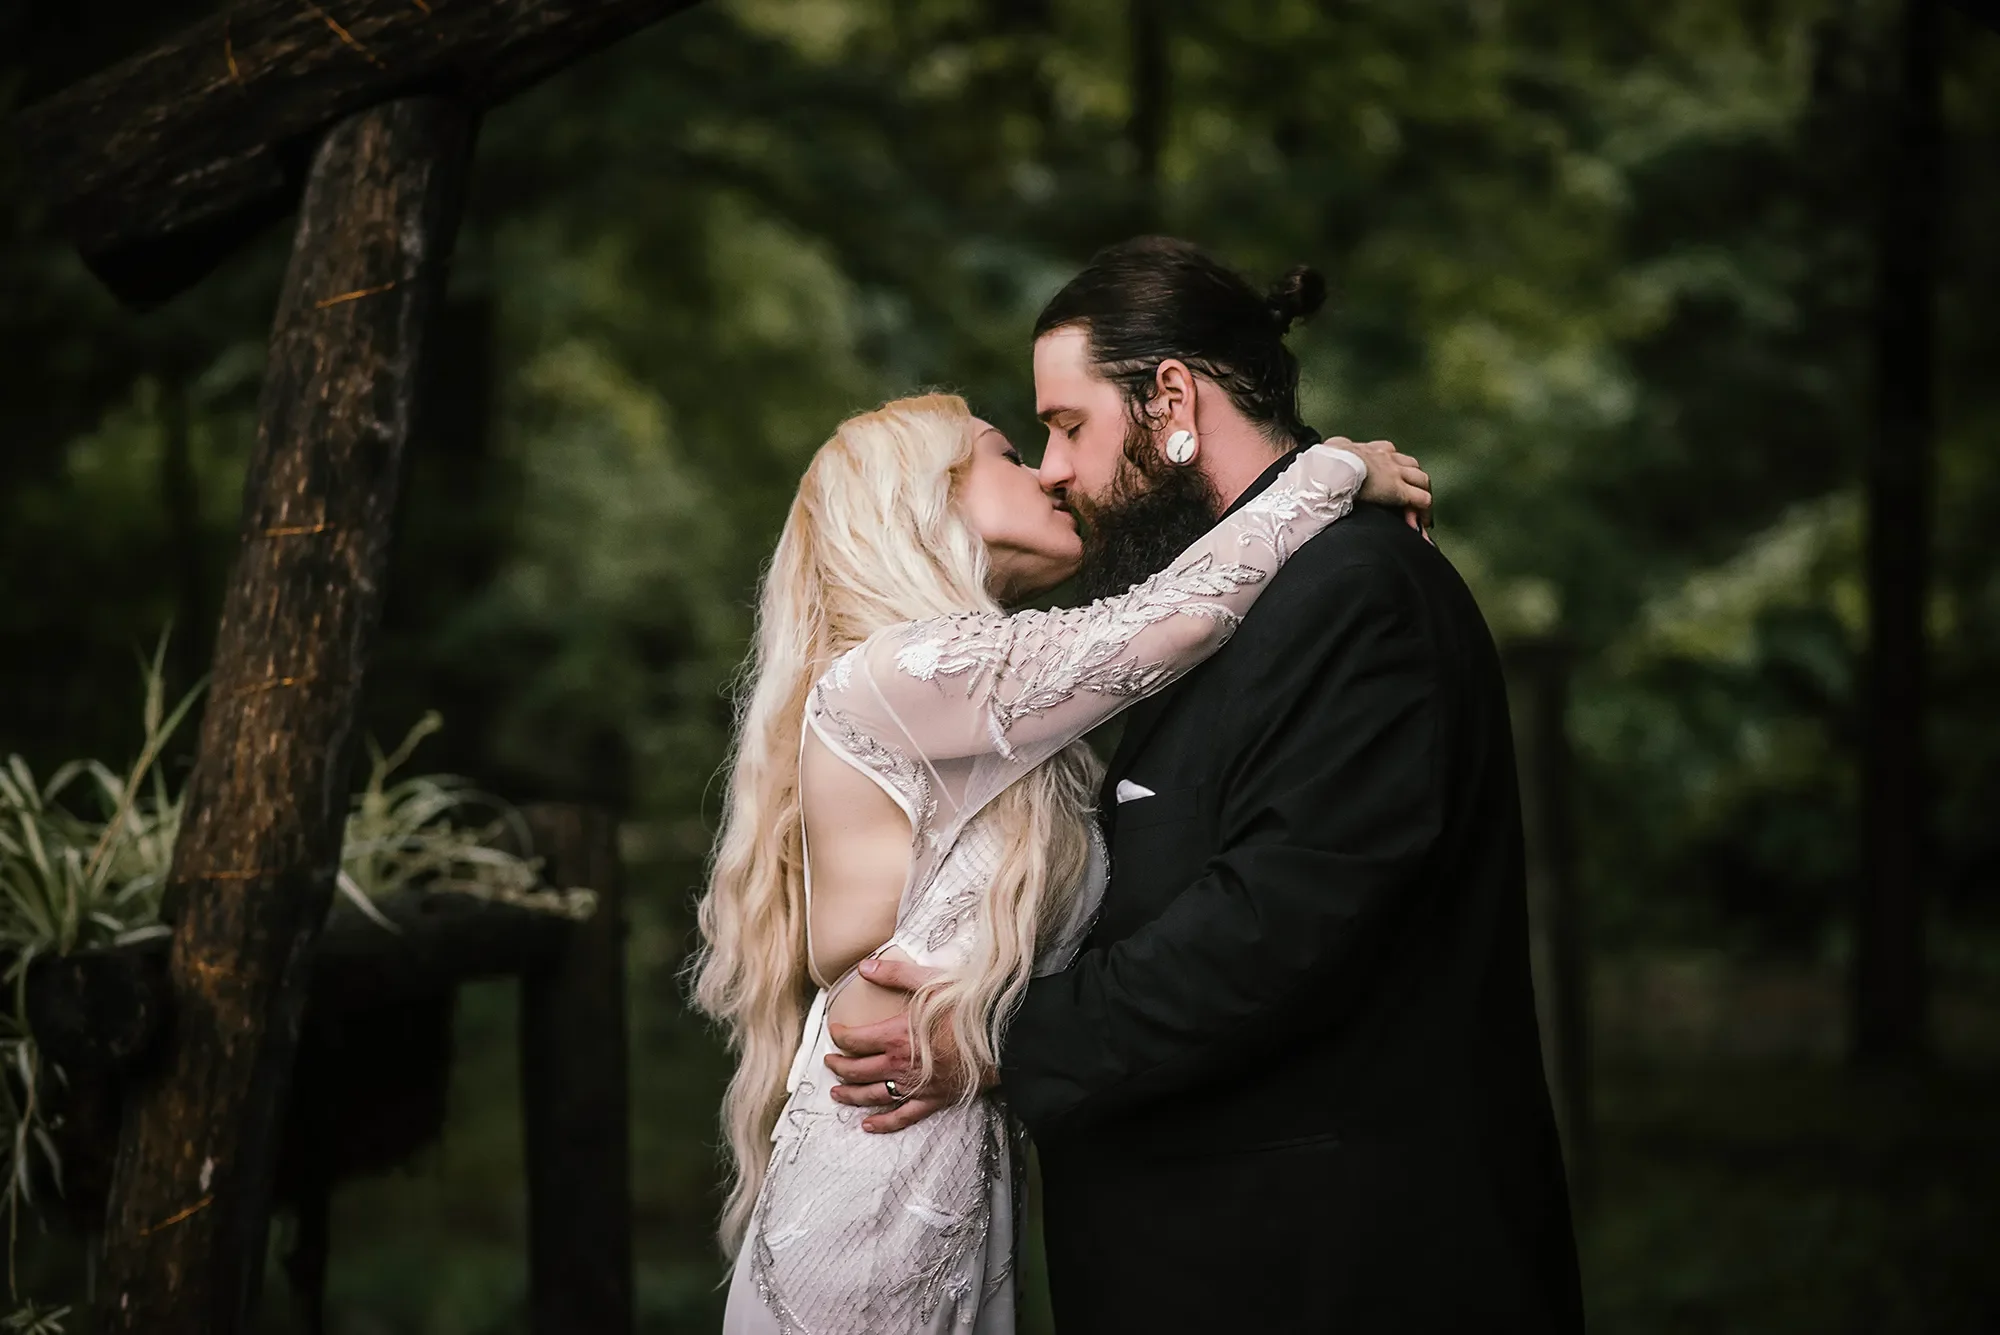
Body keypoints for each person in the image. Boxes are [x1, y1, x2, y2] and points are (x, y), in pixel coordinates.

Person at [827, 238, 1585, 1332]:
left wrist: (988, 1038)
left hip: (1331, 1269)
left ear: (1170, 395)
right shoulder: (1223, 612)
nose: (1052, 467)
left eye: (1069, 423)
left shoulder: (1355, 594)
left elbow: (1271, 922)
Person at [692, 381, 1429, 1332]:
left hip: (957, 1187)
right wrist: (1331, 468)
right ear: (924, 496)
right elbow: (1178, 619)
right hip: (875, 1183)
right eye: (1006, 450)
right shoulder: (895, 675)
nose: (1045, 470)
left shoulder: (993, 723)